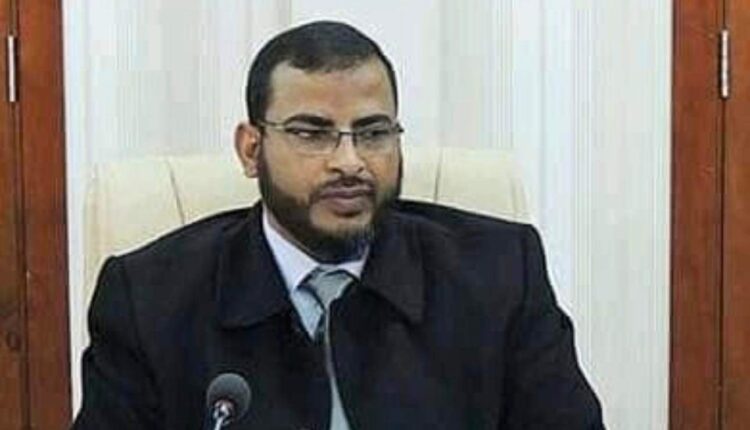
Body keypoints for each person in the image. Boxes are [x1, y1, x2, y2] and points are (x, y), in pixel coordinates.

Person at [73, 20, 603, 429]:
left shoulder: (499, 274)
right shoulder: (149, 300)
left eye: (373, 133)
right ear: (251, 149)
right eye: (312, 133)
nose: (350, 162)